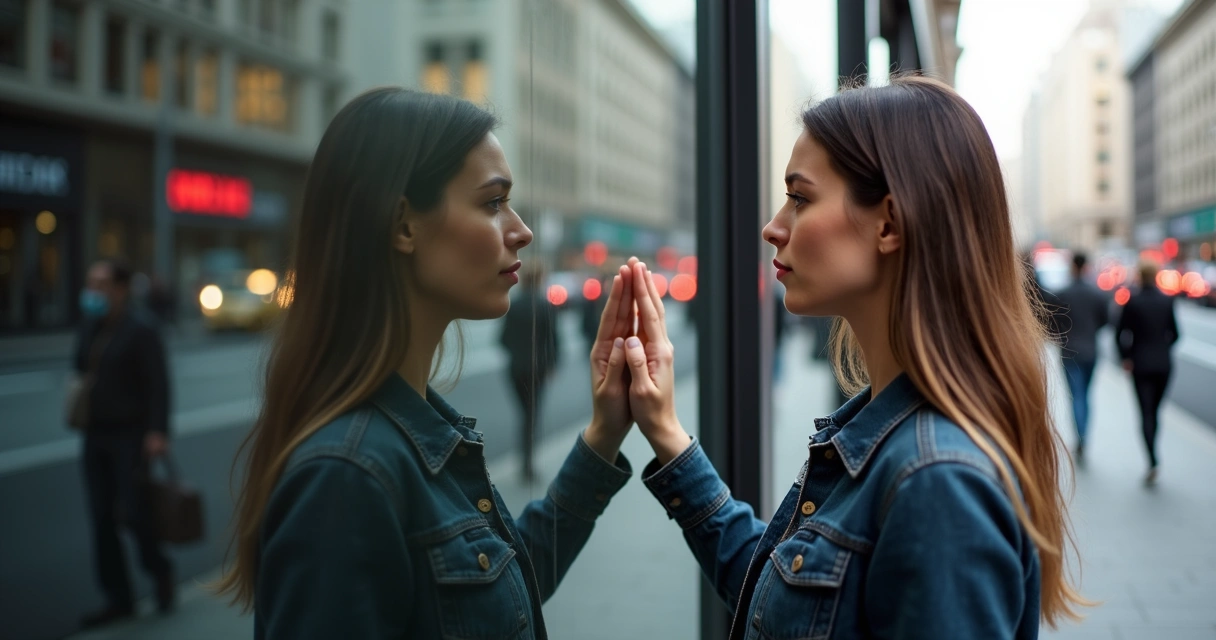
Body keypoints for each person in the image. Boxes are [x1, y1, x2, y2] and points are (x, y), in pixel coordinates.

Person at [613, 76, 1084, 638]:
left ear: (889, 223)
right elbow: (786, 605)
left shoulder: (937, 483)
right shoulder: (895, 434)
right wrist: (665, 431)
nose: (772, 227)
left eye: (800, 198)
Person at [215, 88, 640, 639]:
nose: (522, 231)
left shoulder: (406, 433)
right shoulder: (345, 477)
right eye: (492, 203)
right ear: (403, 226)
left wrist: (604, 434)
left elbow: (497, 592)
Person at [73, 258, 174, 629]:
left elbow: (158, 384)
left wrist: (157, 431)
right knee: (101, 518)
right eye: (90, 283)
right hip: (95, 434)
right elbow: (79, 367)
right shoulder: (91, 326)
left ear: (120, 289)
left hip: (130, 436)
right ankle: (118, 598)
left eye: (101, 284)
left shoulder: (141, 329)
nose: (93, 291)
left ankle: (159, 569)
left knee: (134, 514)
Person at [1116, 260, 1179, 486]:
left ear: (1140, 276)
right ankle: (1153, 453)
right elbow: (1175, 334)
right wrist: (1162, 348)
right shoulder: (1166, 300)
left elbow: (1120, 333)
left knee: (1146, 412)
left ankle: (1152, 459)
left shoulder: (1132, 301)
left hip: (1140, 363)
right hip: (1163, 364)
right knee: (1155, 411)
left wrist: (1126, 356)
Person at [499, 265, 562, 482]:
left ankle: (524, 460)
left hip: (516, 368)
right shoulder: (545, 306)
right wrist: (552, 364)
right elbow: (553, 340)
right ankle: (528, 464)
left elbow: (503, 339)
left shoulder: (514, 305)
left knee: (524, 413)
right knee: (532, 415)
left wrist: (518, 351)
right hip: (538, 369)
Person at [1051, 252, 1109, 463]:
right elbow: (1105, 320)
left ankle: (1081, 437)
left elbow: (1053, 322)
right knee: (1085, 394)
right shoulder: (1097, 294)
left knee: (1077, 395)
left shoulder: (1063, 293)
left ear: (1073, 266)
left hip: (1069, 351)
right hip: (1090, 350)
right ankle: (1084, 436)